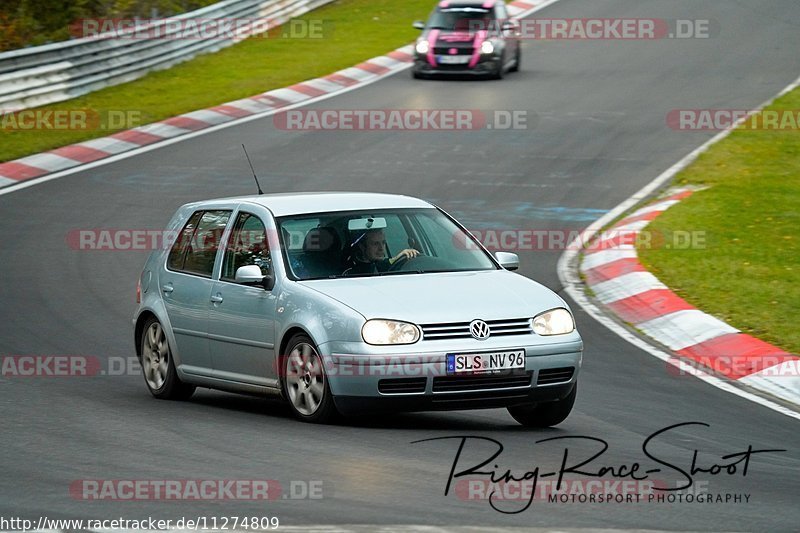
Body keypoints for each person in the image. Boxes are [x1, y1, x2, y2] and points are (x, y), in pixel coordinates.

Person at [345, 228, 420, 275]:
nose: (381, 248)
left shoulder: (381, 265)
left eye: (383, 243)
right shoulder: (350, 273)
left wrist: (404, 254)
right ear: (362, 246)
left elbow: (390, 261)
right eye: (375, 244)